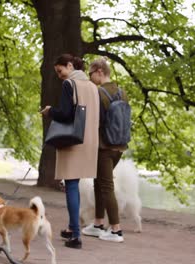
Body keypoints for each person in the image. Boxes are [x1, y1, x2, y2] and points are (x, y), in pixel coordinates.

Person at [41, 54, 99, 249]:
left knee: (71, 186)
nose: (59, 76)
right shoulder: (92, 86)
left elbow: (65, 114)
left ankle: (75, 235)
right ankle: (72, 227)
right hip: (89, 141)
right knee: (75, 184)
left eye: (60, 71)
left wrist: (50, 110)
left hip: (73, 141)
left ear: (69, 65)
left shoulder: (69, 85)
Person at [81, 57, 129, 243]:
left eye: (91, 73)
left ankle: (116, 230)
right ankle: (98, 223)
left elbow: (94, 122)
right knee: (99, 182)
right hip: (119, 146)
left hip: (103, 147)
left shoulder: (98, 93)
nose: (90, 77)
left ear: (100, 71)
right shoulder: (122, 92)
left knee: (106, 186)